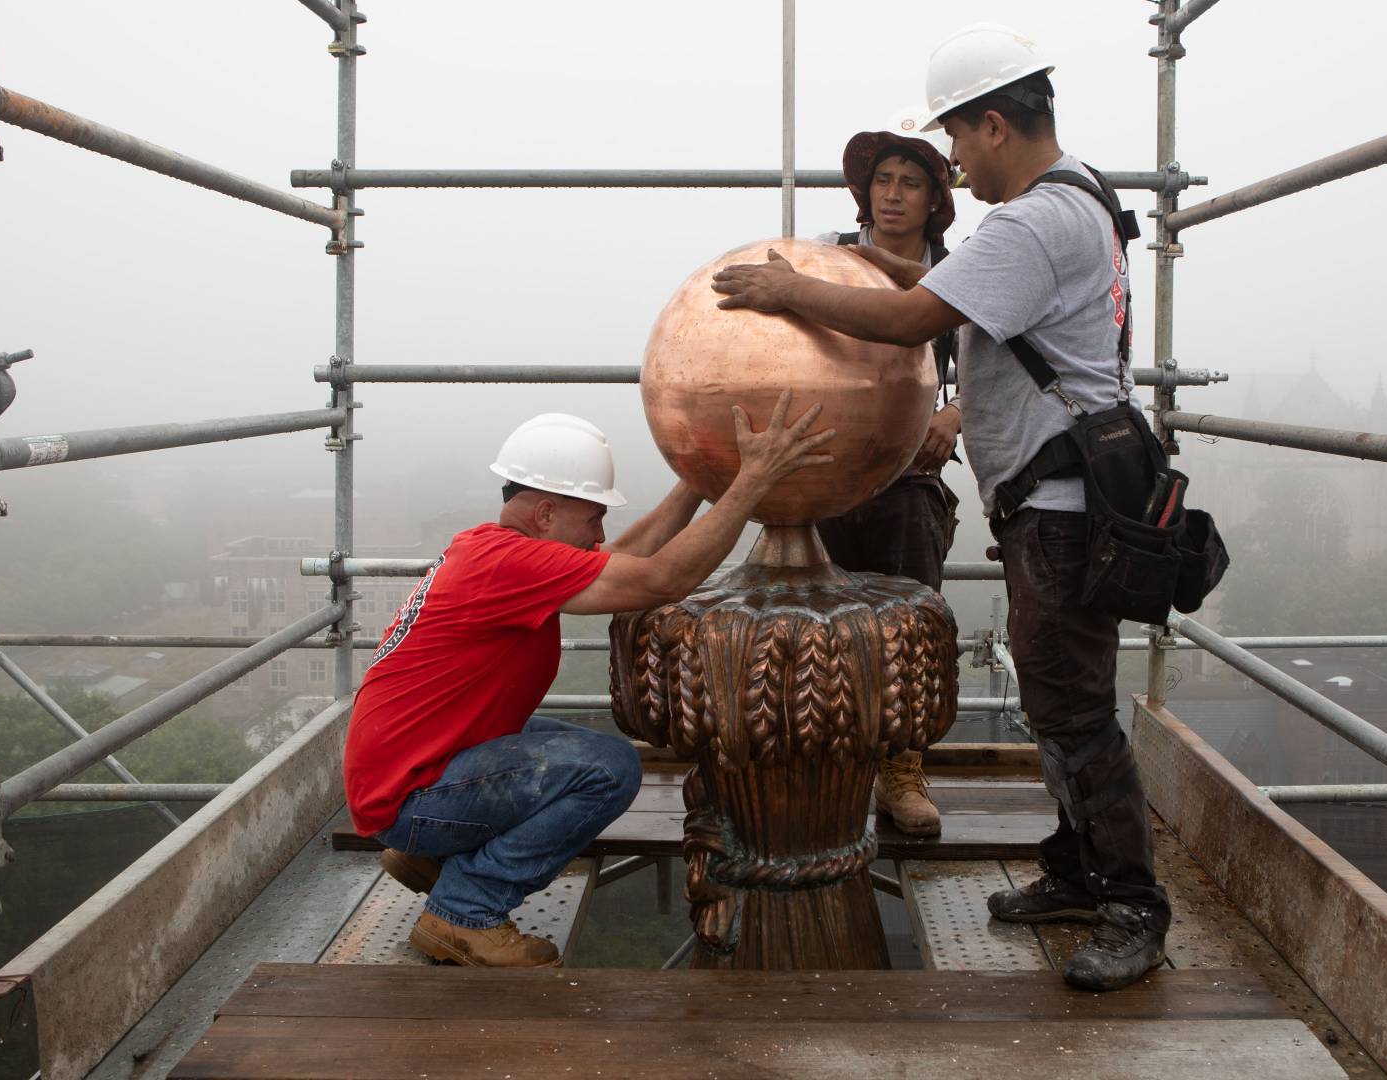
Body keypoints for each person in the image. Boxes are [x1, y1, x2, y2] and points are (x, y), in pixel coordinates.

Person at [710, 23, 1168, 992]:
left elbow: (921, 317)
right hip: (1063, 493)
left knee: (1072, 706)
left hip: (1058, 503)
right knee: (1056, 696)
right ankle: (1078, 868)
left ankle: (1132, 905)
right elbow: (950, 288)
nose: (952, 163)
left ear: (995, 125)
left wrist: (793, 291)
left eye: (956, 141)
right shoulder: (1081, 195)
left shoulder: (1034, 220)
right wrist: (868, 270)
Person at [343, 397, 835, 968]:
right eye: (593, 515)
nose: (601, 531)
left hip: (408, 774)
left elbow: (625, 558)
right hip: (410, 797)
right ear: (547, 514)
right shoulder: (508, 565)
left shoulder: (495, 550)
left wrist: (698, 484)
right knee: (608, 769)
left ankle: (431, 857)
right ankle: (465, 911)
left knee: (567, 749)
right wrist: (752, 483)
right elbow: (661, 578)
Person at [813, 109, 962, 838]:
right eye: (883, 181)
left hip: (908, 473)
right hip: (828, 466)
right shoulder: (827, 259)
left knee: (908, 623)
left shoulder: (961, 271)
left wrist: (954, 415)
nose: (894, 195)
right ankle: (819, 760)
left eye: (911, 182)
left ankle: (900, 768)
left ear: (935, 200)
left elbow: (997, 354)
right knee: (814, 622)